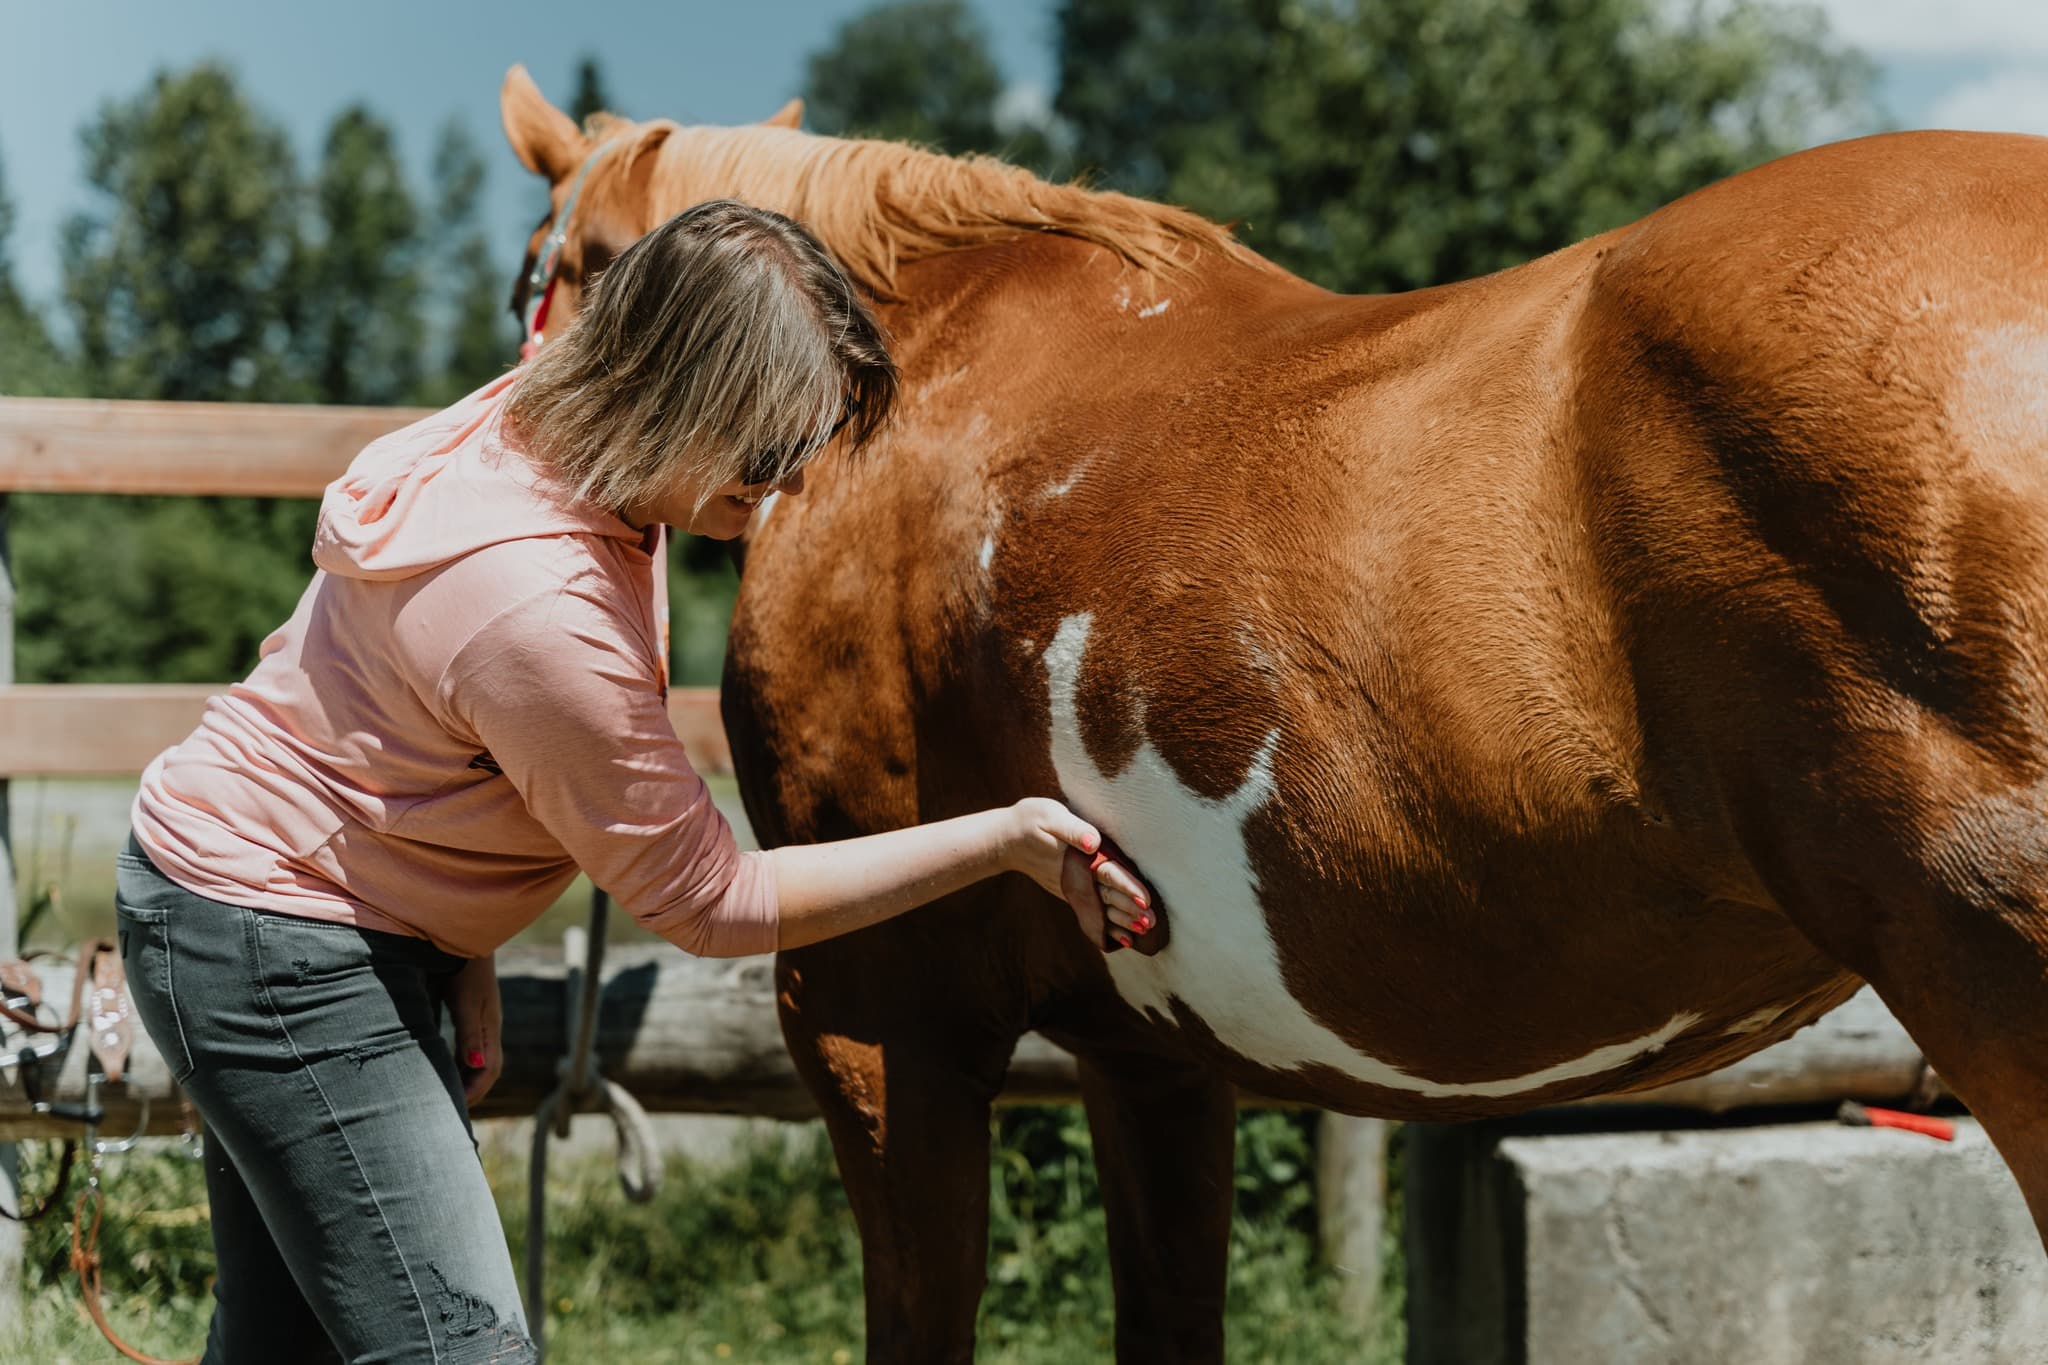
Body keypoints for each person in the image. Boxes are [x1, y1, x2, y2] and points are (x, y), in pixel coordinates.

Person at [115, 199, 1153, 1364]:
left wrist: (461, 947)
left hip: (289, 904)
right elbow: (713, 905)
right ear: (678, 396)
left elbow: (405, 730)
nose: (787, 486)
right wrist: (1003, 839)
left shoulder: (559, 426)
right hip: (277, 943)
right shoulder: (534, 603)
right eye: (765, 452)